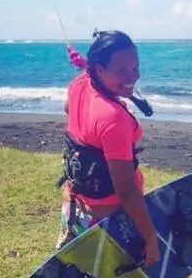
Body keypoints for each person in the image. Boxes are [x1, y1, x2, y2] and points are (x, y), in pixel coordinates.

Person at [56, 31, 161, 269]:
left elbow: (68, 107)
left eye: (135, 68)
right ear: (99, 70)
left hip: (75, 209)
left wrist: (93, 73)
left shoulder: (79, 85)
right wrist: (151, 239)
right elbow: (125, 190)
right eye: (121, 71)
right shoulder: (113, 119)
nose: (132, 77)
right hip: (108, 223)